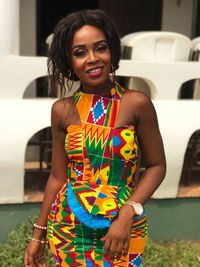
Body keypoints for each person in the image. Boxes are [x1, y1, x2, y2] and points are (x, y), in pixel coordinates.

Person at [24, 9, 166, 267]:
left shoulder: (136, 104)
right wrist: (39, 234)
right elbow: (58, 177)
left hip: (121, 225)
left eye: (100, 48)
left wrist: (127, 213)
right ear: (68, 61)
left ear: (112, 51)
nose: (92, 59)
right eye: (80, 52)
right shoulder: (62, 110)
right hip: (67, 226)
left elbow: (157, 166)